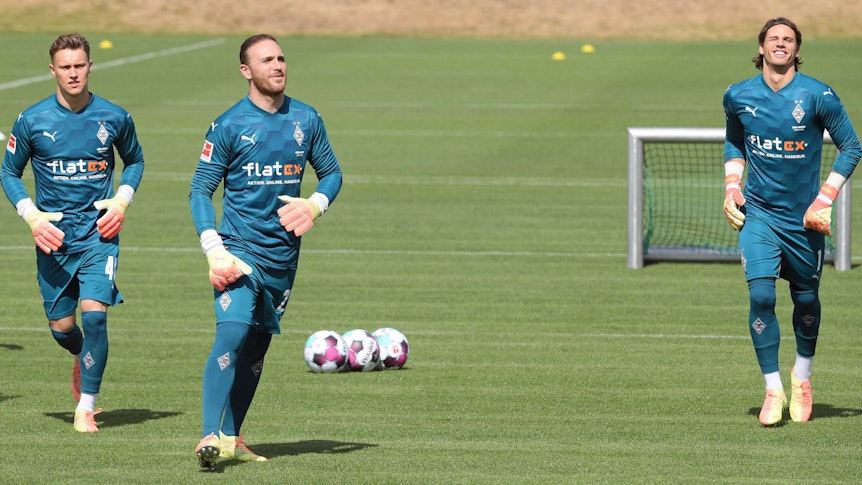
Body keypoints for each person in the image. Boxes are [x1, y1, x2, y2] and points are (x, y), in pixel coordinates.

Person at [189, 34, 343, 471]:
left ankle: (234, 438)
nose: (278, 65)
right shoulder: (229, 126)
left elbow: (331, 172)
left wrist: (315, 204)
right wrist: (213, 249)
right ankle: (208, 436)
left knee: (256, 349)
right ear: (246, 71)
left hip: (283, 257)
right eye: (266, 60)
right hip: (237, 251)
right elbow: (201, 188)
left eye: (281, 58)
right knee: (232, 335)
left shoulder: (307, 119)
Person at [0, 33, 145, 433]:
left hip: (99, 235)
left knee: (95, 318)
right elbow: (9, 171)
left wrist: (121, 201)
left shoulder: (115, 117)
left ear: (90, 66)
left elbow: (134, 160)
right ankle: (82, 355)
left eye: (79, 65)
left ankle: (86, 406)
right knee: (62, 328)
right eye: (65, 67)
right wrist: (32, 217)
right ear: (53, 71)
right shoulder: (32, 120)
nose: (73, 73)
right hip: (53, 239)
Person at [722, 17, 861, 426]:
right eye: (773, 39)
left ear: (797, 50)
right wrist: (733, 187)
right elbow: (735, 141)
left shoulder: (819, 95)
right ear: (761, 48)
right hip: (759, 216)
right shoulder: (738, 96)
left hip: (804, 220)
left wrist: (825, 198)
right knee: (761, 297)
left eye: (788, 39)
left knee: (805, 299)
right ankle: (773, 388)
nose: (780, 44)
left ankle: (802, 378)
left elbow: (852, 146)